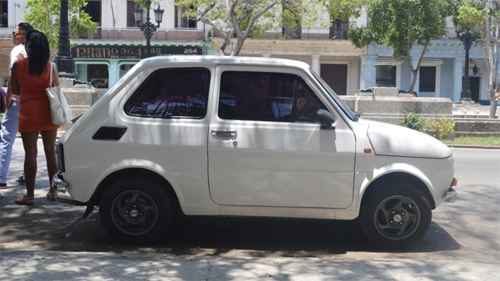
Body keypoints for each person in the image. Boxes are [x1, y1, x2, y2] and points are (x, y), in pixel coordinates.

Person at [10, 30, 59, 205]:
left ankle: (30, 196)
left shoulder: (18, 65)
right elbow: (57, 89)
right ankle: (53, 191)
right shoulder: (51, 66)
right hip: (47, 111)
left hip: (28, 111)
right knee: (50, 152)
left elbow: (15, 91)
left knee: (30, 153)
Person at [0, 22, 33, 188]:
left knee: (6, 138)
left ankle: (1, 177)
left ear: (23, 34)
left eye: (15, 33)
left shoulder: (17, 50)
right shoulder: (35, 52)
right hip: (32, 101)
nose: (13, 36)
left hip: (18, 100)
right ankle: (27, 174)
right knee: (30, 140)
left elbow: (14, 74)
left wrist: (9, 97)